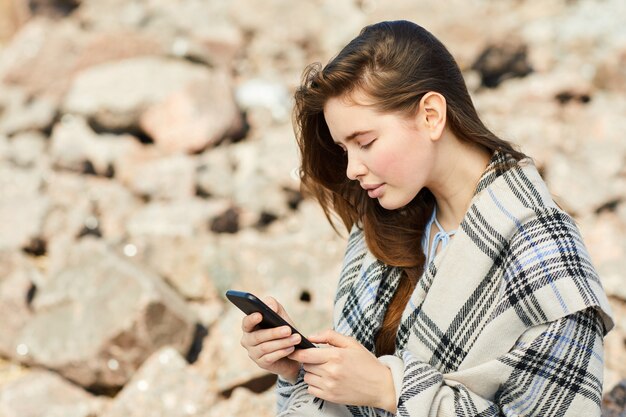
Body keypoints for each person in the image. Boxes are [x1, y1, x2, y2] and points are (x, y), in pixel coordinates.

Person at [238, 20, 614, 416]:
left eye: (365, 142)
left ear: (432, 115)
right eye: (344, 149)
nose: (351, 169)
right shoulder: (382, 227)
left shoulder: (545, 256)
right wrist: (299, 368)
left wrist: (391, 389)